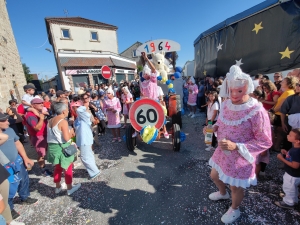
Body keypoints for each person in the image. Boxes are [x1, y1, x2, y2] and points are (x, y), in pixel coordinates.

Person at [204, 65, 272, 224]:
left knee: (235, 187)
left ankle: (235, 208)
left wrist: (237, 146)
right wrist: (213, 127)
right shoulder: (227, 104)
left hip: (241, 157)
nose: (234, 95)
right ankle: (222, 193)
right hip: (223, 151)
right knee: (214, 175)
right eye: (231, 90)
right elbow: (221, 121)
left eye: (239, 91)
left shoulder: (256, 110)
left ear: (247, 88)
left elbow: (265, 140)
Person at [0, 112, 38, 220]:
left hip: (17, 161)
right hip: (4, 166)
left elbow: (18, 143)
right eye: (4, 120)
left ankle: (24, 197)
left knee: (23, 179)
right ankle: (9, 208)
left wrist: (25, 158)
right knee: (9, 188)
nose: (8, 121)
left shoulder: (10, 130)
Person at [47, 102, 81, 195]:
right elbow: (66, 138)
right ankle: (69, 188)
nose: (68, 111)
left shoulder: (50, 120)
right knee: (68, 168)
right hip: (62, 147)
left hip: (52, 147)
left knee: (57, 168)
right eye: (67, 109)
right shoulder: (63, 121)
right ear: (63, 111)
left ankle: (57, 187)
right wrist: (71, 132)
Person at [25, 98, 52, 176]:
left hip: (45, 135)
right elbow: (37, 128)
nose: (41, 104)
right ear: (33, 105)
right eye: (38, 103)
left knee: (45, 153)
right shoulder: (30, 115)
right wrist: (41, 118)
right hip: (38, 137)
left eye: (42, 102)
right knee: (41, 155)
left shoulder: (38, 112)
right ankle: (43, 170)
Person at [275, 129, 300, 209]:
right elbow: (293, 159)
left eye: (290, 135)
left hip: (292, 175)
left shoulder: (297, 151)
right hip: (293, 174)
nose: (288, 136)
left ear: (297, 141)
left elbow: (295, 165)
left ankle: (288, 202)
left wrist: (282, 159)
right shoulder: (295, 148)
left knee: (289, 187)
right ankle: (294, 199)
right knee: (293, 188)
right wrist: (286, 154)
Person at [73, 105, 101, 179]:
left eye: (76, 106)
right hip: (81, 140)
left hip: (85, 139)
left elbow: (80, 110)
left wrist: (84, 105)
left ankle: (94, 172)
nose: (74, 108)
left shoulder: (84, 116)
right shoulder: (77, 118)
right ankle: (92, 169)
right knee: (89, 155)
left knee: (84, 157)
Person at [272, 76, 298, 152]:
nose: (281, 82)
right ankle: (275, 147)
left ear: (289, 83)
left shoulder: (288, 93)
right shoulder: (286, 92)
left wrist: (272, 112)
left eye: (283, 81)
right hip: (278, 114)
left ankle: (276, 147)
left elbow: (281, 107)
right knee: (277, 132)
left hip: (280, 115)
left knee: (280, 133)